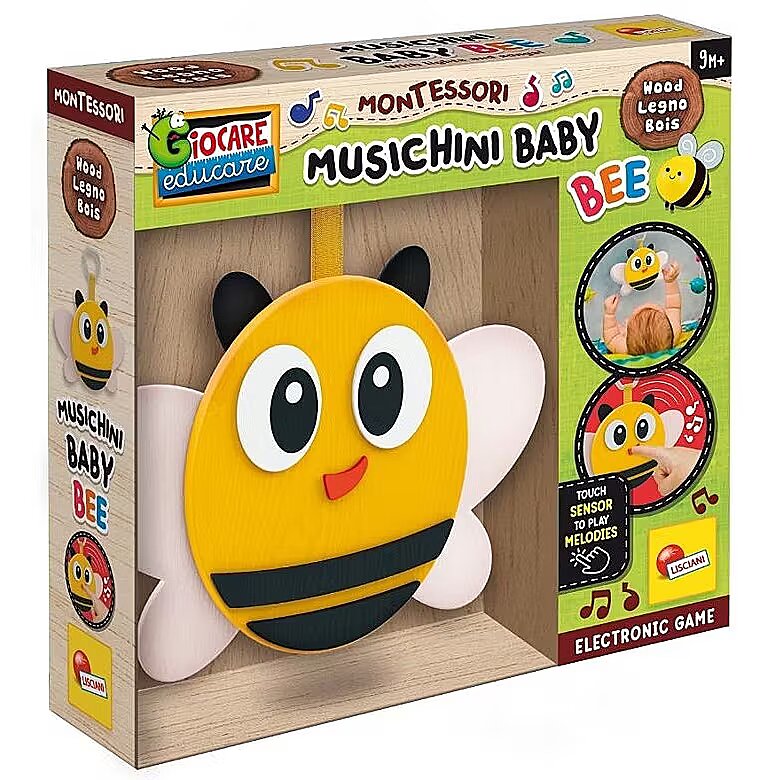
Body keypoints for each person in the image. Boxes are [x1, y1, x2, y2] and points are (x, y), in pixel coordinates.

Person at [603, 261, 682, 355]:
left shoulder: (626, 348)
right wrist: (670, 281)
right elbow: (673, 306)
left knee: (619, 329)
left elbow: (611, 338)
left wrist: (609, 314)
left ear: (628, 337)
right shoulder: (673, 335)